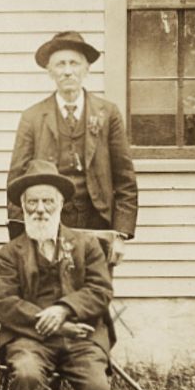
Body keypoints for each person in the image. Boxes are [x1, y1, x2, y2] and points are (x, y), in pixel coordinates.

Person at [0, 159, 114, 390]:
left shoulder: (87, 245)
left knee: (97, 389)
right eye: (32, 202)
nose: (40, 209)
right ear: (22, 207)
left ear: (61, 204)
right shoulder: (10, 253)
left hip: (82, 336)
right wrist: (46, 320)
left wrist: (64, 308)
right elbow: (5, 303)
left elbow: (101, 291)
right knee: (26, 375)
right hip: (30, 339)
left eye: (48, 201)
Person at [7, 31, 138, 267]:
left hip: (98, 220)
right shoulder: (33, 117)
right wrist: (20, 236)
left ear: (86, 69)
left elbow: (125, 179)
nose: (68, 71)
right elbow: (17, 181)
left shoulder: (108, 114)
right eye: (60, 64)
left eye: (74, 63)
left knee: (96, 293)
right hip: (48, 221)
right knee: (52, 292)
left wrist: (121, 233)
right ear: (50, 72)